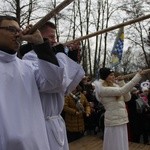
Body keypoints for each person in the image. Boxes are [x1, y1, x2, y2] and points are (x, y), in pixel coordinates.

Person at [0, 15, 66, 150]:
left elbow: (54, 82)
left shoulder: (27, 67)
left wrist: (41, 45)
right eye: (11, 29)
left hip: (35, 142)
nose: (18, 34)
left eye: (19, 30)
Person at [19, 21, 85, 150]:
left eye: (55, 37)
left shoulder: (53, 57)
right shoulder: (29, 58)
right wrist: (61, 55)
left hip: (56, 122)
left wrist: (71, 57)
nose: (55, 40)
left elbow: (67, 88)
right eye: (50, 37)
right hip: (42, 124)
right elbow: (55, 83)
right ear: (38, 37)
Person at [94, 67, 146, 150]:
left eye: (113, 75)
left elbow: (127, 98)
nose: (113, 77)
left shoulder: (115, 86)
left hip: (121, 119)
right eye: (111, 75)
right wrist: (137, 76)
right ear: (105, 77)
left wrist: (122, 82)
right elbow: (121, 91)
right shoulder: (102, 89)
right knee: (114, 145)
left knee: (122, 144)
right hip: (113, 121)